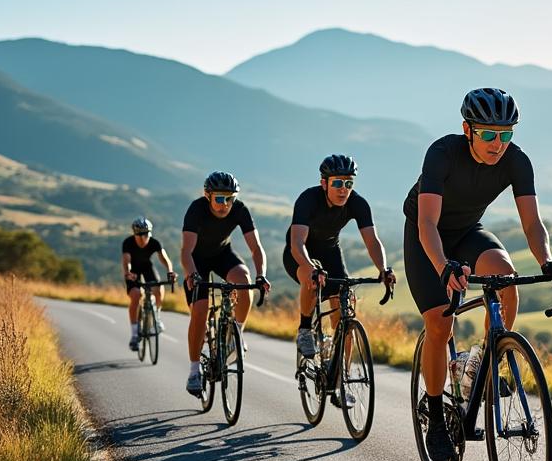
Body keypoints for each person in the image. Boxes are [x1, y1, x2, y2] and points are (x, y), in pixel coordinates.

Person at [404, 88, 552, 461]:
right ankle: (436, 417)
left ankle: (481, 364)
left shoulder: (516, 161)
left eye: (506, 134)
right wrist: (443, 266)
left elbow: (532, 224)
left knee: (506, 280)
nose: (498, 144)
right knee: (440, 323)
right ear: (468, 130)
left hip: (467, 232)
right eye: (488, 134)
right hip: (426, 237)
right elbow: (427, 223)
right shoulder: (442, 153)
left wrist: (548, 262)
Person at [283, 154, 396, 406]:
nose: (343, 189)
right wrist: (310, 266)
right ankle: (305, 329)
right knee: (312, 279)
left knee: (345, 309)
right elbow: (297, 242)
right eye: (337, 183)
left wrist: (383, 268)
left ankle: (341, 377)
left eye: (348, 183)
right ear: (324, 183)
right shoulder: (308, 199)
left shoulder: (358, 203)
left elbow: (372, 241)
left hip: (331, 252)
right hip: (300, 253)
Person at [181, 171, 270, 396]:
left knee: (244, 281)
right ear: (208, 196)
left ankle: (235, 335)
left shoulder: (240, 210)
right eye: (219, 198)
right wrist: (192, 274)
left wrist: (261, 275)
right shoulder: (196, 209)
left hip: (222, 254)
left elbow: (256, 248)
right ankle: (194, 371)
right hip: (197, 261)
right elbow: (186, 251)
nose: (225, 204)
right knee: (200, 311)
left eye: (230, 198)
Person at [121, 217, 175, 351]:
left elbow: (165, 259)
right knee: (136, 295)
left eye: (146, 234)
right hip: (133, 271)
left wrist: (170, 272)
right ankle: (134, 334)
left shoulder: (154, 242)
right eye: (140, 235)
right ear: (135, 234)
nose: (143, 237)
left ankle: (157, 318)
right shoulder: (128, 243)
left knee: (159, 289)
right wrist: (128, 272)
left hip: (147, 267)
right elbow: (127, 261)